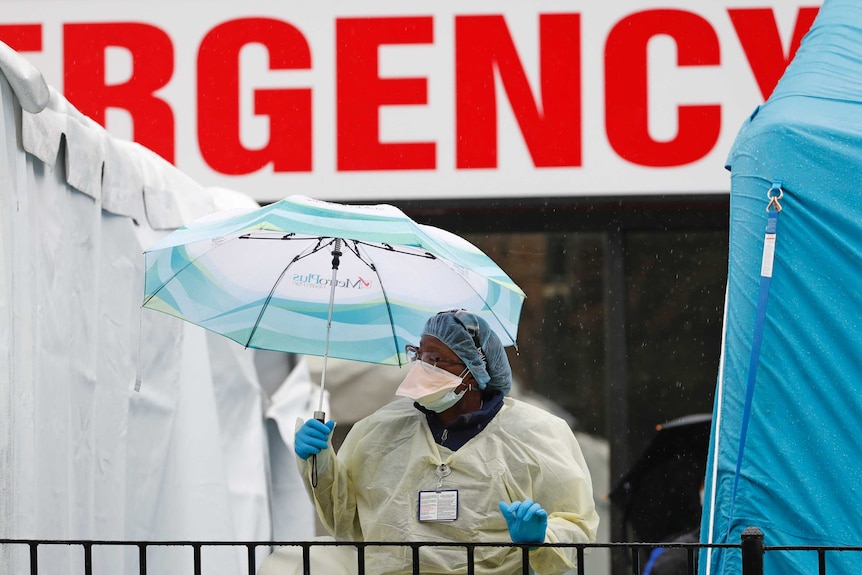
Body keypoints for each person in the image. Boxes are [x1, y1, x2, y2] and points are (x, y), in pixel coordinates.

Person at [292, 309, 599, 574]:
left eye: (437, 359)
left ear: (473, 372)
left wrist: (541, 539)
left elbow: (577, 526)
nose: (423, 367)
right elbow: (344, 521)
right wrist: (319, 462)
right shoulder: (378, 431)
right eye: (419, 355)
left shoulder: (535, 433)